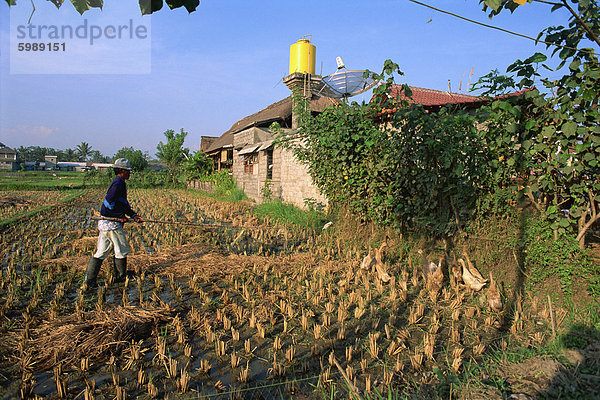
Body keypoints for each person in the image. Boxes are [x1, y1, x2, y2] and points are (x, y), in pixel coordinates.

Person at [84, 158, 144, 289]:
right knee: (121, 250)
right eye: (128, 171)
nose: (129, 173)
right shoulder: (118, 183)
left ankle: (89, 281)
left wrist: (133, 215)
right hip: (112, 224)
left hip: (106, 223)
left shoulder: (120, 182)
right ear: (121, 171)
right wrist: (119, 216)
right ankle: (121, 277)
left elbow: (122, 204)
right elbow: (108, 203)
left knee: (101, 252)